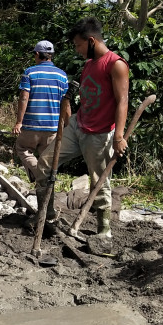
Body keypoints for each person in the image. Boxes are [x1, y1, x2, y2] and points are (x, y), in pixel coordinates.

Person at [60, 17, 130, 239]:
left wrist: (118, 135)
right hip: (78, 125)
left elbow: (122, 100)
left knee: (99, 181)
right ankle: (46, 213)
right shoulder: (89, 65)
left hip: (100, 133)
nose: (77, 50)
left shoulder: (115, 64)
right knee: (45, 162)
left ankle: (104, 232)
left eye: (78, 45)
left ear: (91, 41)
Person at [13, 40, 70, 226]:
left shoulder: (30, 72)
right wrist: (66, 125)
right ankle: (49, 210)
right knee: (49, 168)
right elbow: (66, 104)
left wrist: (19, 121)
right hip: (53, 129)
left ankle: (37, 173)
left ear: (37, 55)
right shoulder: (62, 76)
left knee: (22, 148)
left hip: (31, 126)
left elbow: (24, 97)